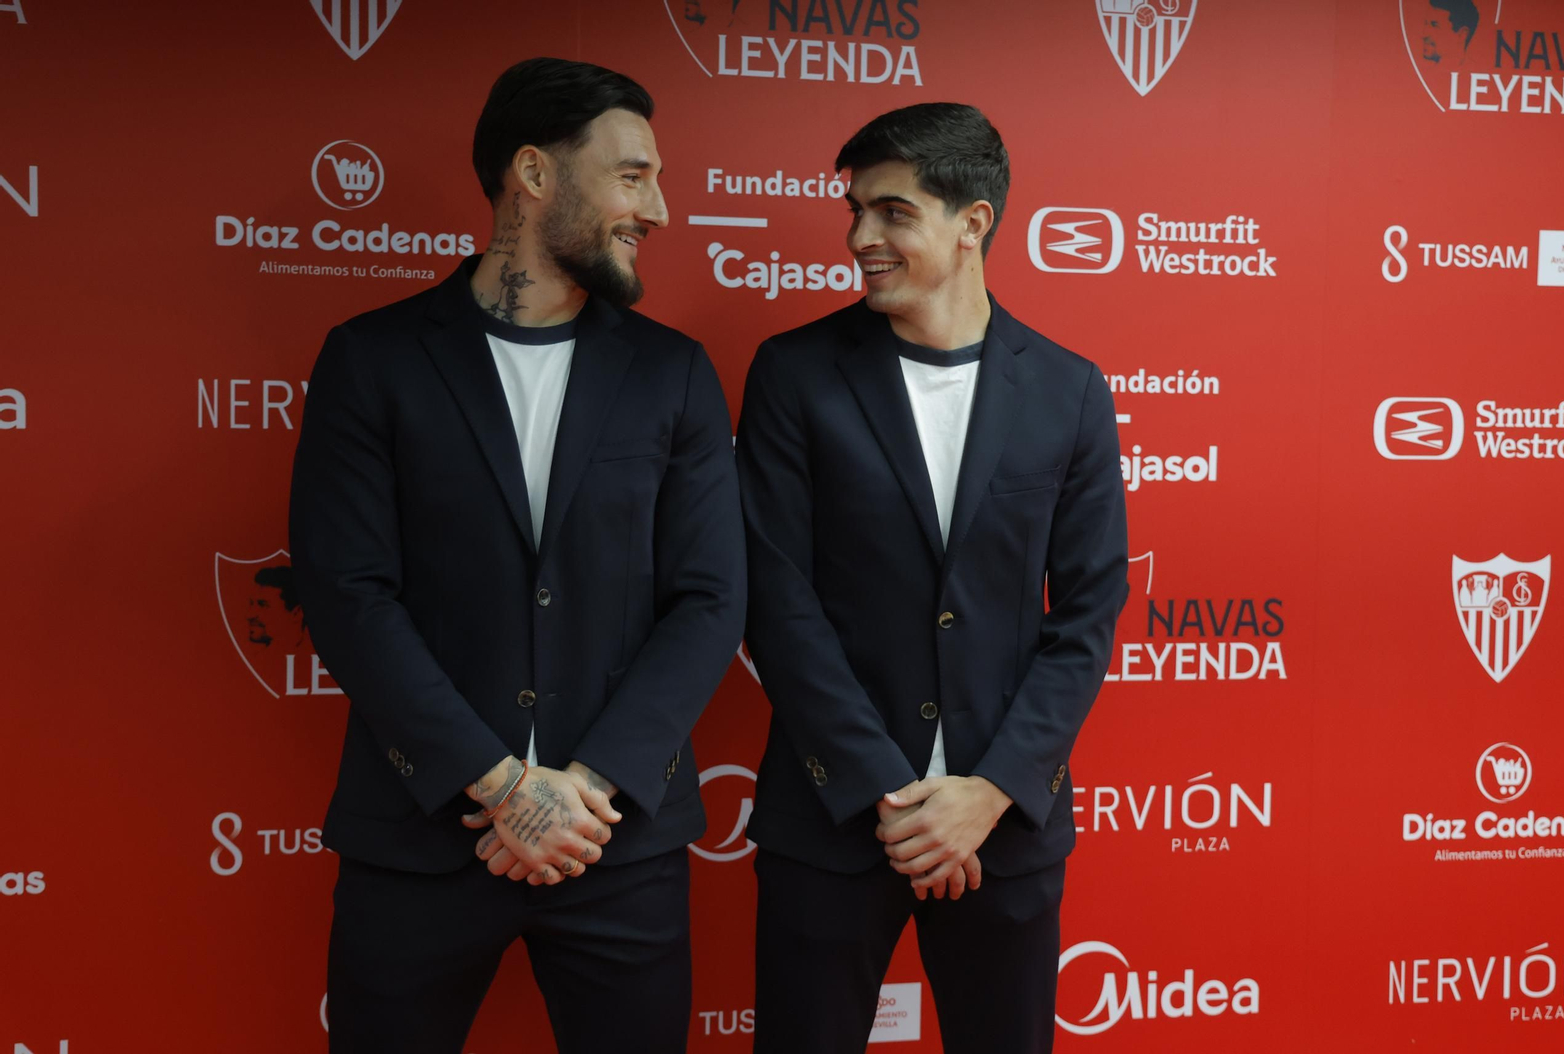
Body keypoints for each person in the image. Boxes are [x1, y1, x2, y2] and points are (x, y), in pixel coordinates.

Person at [289, 57, 745, 1054]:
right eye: (633, 175)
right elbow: (348, 591)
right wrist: (499, 785)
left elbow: (712, 598)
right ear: (533, 173)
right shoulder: (373, 359)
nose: (659, 208)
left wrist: (585, 789)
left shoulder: (673, 374)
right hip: (419, 839)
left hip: (617, 841)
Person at [737, 102, 1128, 1053]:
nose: (859, 237)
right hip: (833, 817)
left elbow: (1085, 614)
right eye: (854, 211)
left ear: (973, 223)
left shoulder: (1069, 389)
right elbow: (776, 600)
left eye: (892, 213)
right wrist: (890, 790)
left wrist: (990, 790)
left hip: (1007, 826)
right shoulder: (795, 374)